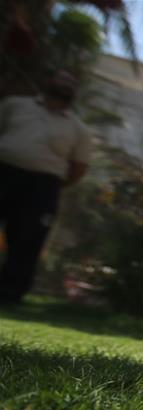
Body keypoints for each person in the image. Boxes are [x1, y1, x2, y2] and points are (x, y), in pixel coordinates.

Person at [0, 70, 91, 304]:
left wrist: (55, 185)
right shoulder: (14, 106)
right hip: (5, 173)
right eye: (62, 80)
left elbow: (79, 166)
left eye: (71, 83)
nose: (66, 85)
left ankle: (10, 294)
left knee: (28, 239)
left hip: (43, 186)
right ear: (49, 82)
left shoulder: (78, 129)